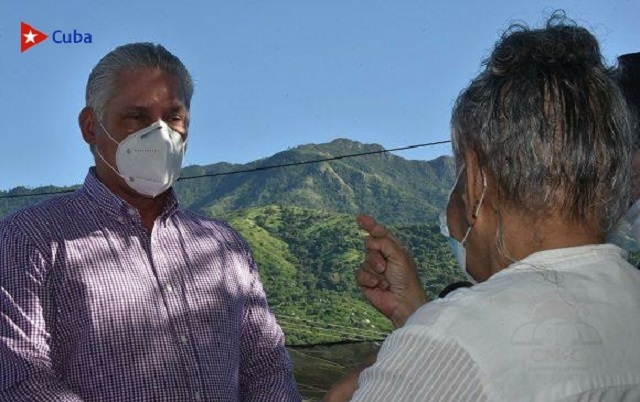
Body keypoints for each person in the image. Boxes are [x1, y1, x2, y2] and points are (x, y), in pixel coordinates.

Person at [324, 14, 640, 401]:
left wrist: (424, 332)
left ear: (476, 181)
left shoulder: (448, 341)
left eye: (456, 177)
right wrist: (417, 316)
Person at [0, 43, 300, 401]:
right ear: (91, 127)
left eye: (173, 117)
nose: (160, 135)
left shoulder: (225, 247)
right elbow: (20, 379)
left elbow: (267, 369)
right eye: (137, 117)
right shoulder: (29, 238)